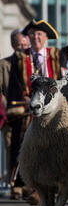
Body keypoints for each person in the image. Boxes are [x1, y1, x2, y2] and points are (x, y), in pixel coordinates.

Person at [7, 19, 62, 203]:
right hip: (28, 108)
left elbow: (60, 83)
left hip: (50, 110)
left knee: (50, 148)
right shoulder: (21, 58)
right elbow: (14, 84)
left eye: (39, 34)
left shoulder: (54, 56)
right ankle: (26, 185)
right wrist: (26, 99)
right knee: (25, 146)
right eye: (32, 34)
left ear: (46, 38)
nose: (36, 37)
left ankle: (47, 185)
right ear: (27, 37)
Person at [0, 30, 29, 195]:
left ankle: (26, 183)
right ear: (13, 45)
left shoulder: (31, 62)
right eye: (19, 46)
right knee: (12, 148)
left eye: (25, 45)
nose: (23, 49)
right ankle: (13, 184)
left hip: (29, 116)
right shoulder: (4, 65)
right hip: (11, 116)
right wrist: (8, 108)